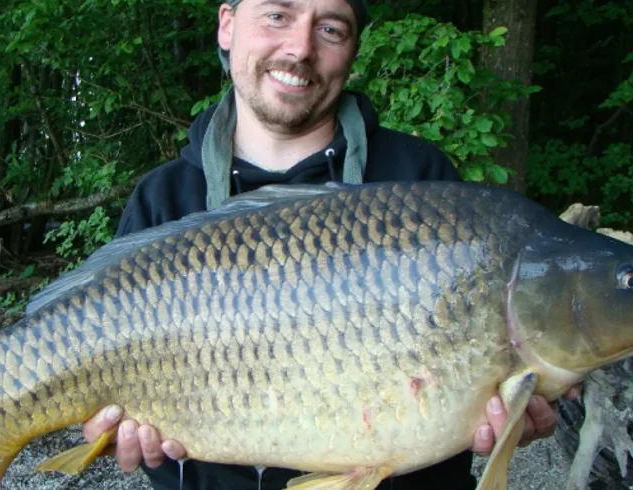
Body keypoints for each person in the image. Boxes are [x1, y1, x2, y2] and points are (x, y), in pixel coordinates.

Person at [80, 0, 577, 488]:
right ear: (227, 26)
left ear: (353, 48)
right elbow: (120, 414)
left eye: (331, 29)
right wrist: (121, 437)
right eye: (278, 15)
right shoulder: (163, 200)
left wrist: (514, 420)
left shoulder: (423, 184)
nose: (300, 48)